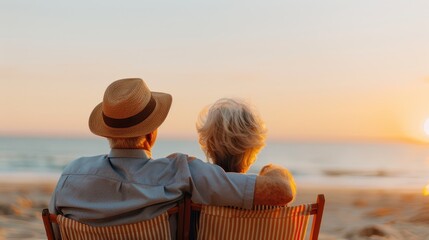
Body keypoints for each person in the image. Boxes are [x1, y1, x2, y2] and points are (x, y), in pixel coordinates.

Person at [49, 78, 296, 236]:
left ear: (107, 132)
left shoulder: (69, 179)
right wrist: (272, 168)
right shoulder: (180, 173)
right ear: (151, 133)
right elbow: (281, 191)